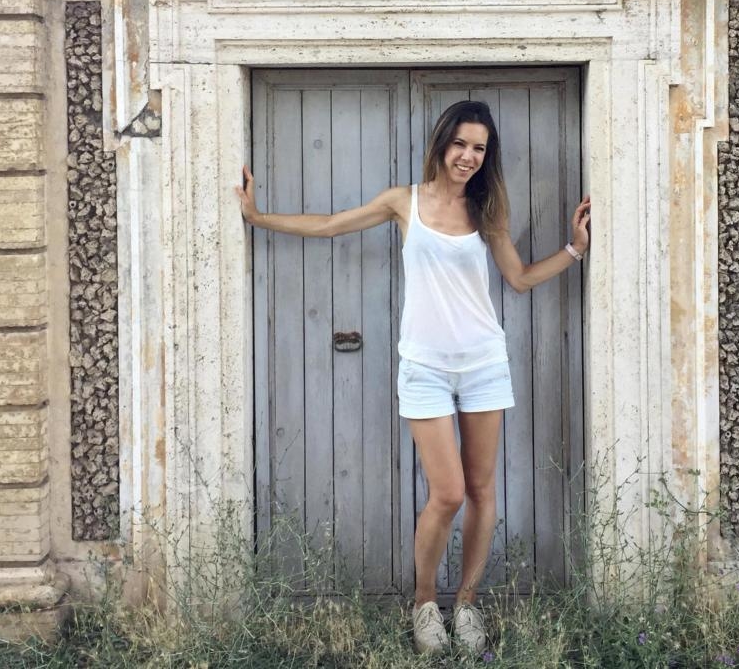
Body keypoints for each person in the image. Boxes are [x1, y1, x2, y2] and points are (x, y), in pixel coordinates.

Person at [235, 99, 590, 655]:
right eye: (461, 144)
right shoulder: (404, 202)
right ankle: (425, 603)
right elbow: (330, 225)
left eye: (479, 148)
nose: (469, 156)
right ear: (442, 143)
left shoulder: (487, 210)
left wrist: (574, 249)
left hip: (483, 365)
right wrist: (258, 217)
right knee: (447, 493)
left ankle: (466, 604)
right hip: (424, 368)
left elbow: (519, 279)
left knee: (482, 491)